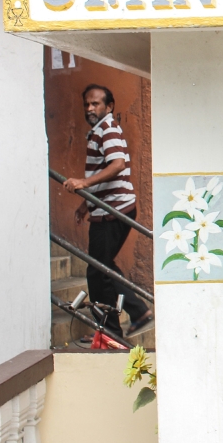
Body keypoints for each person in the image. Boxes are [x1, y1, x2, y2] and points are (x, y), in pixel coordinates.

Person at [63, 84, 153, 339]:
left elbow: (117, 165)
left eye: (96, 104)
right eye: (87, 104)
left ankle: (110, 331)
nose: (90, 108)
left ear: (109, 106)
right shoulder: (100, 130)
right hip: (107, 207)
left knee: (97, 271)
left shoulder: (107, 129)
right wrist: (85, 202)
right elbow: (104, 173)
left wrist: (83, 184)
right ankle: (135, 313)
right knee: (103, 268)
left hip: (113, 209)